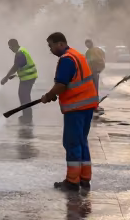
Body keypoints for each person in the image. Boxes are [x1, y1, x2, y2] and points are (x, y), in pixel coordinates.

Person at [39, 32, 99, 191]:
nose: (50, 49)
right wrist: (54, 94)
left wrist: (48, 95)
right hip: (86, 106)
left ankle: (72, 181)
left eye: (50, 45)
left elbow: (61, 84)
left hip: (76, 107)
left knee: (72, 143)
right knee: (81, 142)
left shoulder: (67, 59)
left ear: (60, 44)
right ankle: (85, 179)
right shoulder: (77, 55)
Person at [0, 39, 39, 121]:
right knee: (24, 95)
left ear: (13, 46)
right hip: (29, 77)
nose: (10, 49)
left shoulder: (19, 53)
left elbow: (15, 66)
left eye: (10, 47)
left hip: (28, 78)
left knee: (24, 96)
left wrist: (6, 77)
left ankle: (27, 116)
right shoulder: (22, 50)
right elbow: (22, 65)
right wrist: (15, 75)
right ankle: (27, 115)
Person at [84, 39, 107, 114]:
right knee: (92, 89)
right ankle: (93, 105)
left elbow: (100, 60)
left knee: (93, 89)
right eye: (86, 44)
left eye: (88, 44)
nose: (87, 46)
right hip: (92, 72)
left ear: (91, 43)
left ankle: (94, 105)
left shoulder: (95, 51)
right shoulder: (89, 52)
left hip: (94, 71)